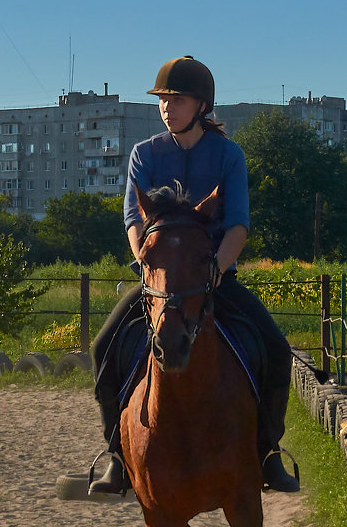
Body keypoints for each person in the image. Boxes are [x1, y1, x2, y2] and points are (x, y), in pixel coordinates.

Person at [88, 55, 299, 494]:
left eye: (177, 99)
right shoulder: (144, 154)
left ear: (202, 105)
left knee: (277, 350)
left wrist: (216, 271)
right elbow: (133, 220)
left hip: (215, 280)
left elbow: (238, 224)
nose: (167, 107)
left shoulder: (228, 156)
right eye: (163, 100)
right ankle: (117, 457)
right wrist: (148, 267)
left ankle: (267, 452)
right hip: (158, 286)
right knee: (103, 347)